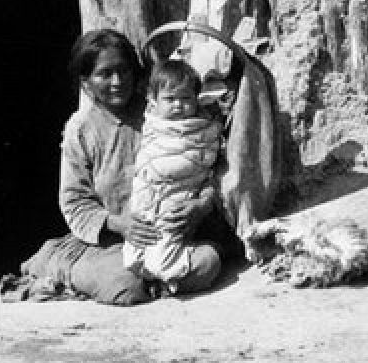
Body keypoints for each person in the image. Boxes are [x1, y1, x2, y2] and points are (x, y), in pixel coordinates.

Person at [19, 29, 222, 305]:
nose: (117, 81)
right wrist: (120, 224)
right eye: (105, 74)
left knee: (208, 263)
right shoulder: (81, 130)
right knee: (126, 287)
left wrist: (199, 207)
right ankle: (57, 259)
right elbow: (74, 201)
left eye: (124, 71)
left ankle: (157, 278)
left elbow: (204, 167)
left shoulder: (164, 112)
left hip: (168, 234)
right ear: (86, 82)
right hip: (109, 241)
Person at [121, 59, 223, 294]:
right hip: (145, 200)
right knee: (133, 256)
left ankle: (171, 279)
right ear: (154, 101)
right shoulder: (152, 125)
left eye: (186, 99)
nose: (178, 106)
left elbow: (203, 160)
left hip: (175, 198)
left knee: (165, 258)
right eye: (170, 99)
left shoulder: (199, 129)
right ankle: (157, 279)